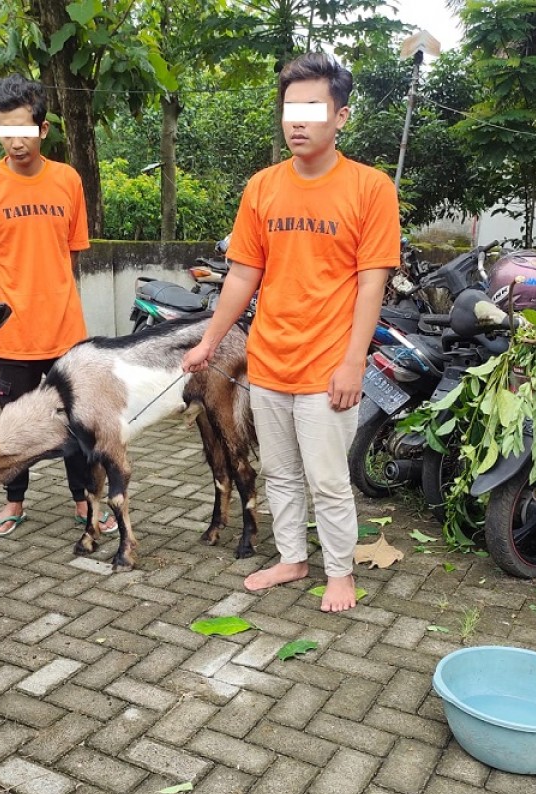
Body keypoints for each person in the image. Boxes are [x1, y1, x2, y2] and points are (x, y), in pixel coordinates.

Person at [182, 52, 400, 613]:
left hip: (328, 366)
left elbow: (371, 284)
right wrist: (209, 341)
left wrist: (353, 362)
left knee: (327, 478)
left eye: (312, 109)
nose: (297, 121)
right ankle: (292, 558)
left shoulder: (370, 188)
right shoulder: (263, 187)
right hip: (268, 360)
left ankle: (340, 572)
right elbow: (243, 275)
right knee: (279, 472)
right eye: (289, 109)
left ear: (341, 116)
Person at [0, 74, 115, 537]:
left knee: (75, 423)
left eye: (25, 130)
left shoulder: (67, 180)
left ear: (43, 129)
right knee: (11, 425)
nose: (16, 141)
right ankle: (14, 501)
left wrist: (48, 294)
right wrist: (11, 304)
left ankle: (84, 501)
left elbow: (70, 255)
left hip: (66, 333)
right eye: (5, 131)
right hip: (12, 335)